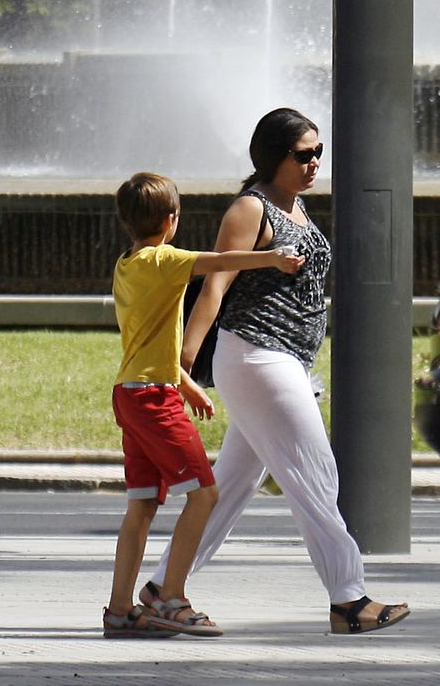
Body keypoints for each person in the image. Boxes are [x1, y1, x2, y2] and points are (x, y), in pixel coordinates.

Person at [140, 108, 410, 636]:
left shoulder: (299, 208)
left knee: (231, 487)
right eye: (302, 154)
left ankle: (160, 589)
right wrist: (185, 358)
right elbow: (215, 283)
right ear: (273, 157)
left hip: (284, 361)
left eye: (317, 153)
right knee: (316, 474)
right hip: (256, 356)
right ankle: (348, 598)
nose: (314, 164)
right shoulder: (250, 208)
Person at [104, 171, 303, 639]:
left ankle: (119, 609)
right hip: (153, 398)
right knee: (205, 494)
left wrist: (187, 385)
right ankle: (171, 598)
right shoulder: (165, 260)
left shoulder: (126, 264)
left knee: (142, 504)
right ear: (172, 221)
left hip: (132, 391)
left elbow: (147, 340)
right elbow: (218, 261)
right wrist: (272, 256)